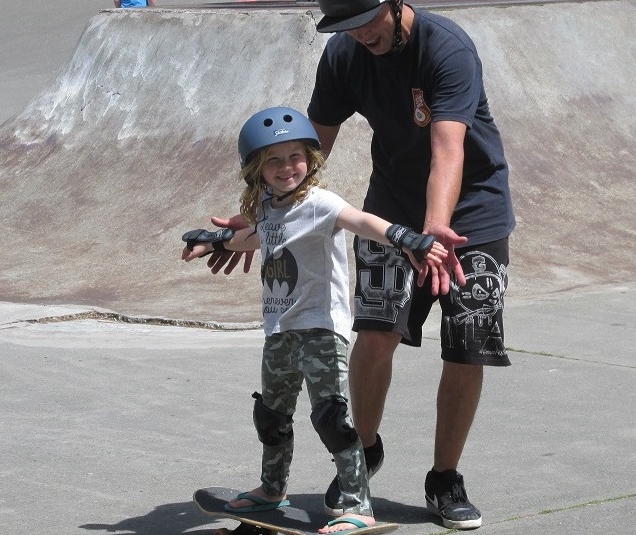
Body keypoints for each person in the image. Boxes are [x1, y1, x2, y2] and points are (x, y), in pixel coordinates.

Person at [207, 0, 516, 529]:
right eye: (346, 27)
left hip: (470, 217)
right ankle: (363, 453)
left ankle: (445, 479)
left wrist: (434, 227)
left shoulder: (446, 49)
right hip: (389, 210)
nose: (359, 35)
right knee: (376, 334)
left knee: (466, 351)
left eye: (367, 22)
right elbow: (305, 149)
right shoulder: (345, 54)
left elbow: (448, 150)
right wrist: (260, 218)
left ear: (396, 5)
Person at [181, 107, 448, 534]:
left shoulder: (321, 203)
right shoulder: (267, 209)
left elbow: (361, 221)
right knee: (271, 415)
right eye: (274, 160)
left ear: (311, 158)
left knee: (332, 419)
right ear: (256, 171)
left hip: (322, 329)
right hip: (279, 329)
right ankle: (272, 490)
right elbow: (252, 236)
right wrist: (213, 240)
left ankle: (357, 505)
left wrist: (402, 236)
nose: (287, 167)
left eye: (295, 156)